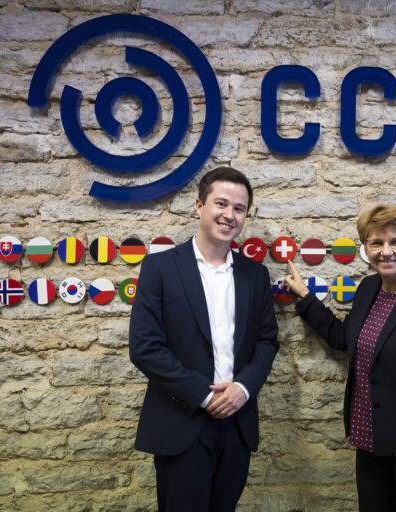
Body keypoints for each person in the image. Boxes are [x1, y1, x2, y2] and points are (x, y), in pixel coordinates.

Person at [284, 204, 396, 512]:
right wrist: (306, 298)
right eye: (376, 243)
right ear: (365, 247)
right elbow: (343, 338)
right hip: (369, 438)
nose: (386, 251)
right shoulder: (368, 288)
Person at [129, 167, 279, 512]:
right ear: (199, 205)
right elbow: (145, 347)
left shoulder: (255, 275)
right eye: (221, 204)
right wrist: (201, 395)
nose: (230, 215)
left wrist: (242, 389)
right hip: (181, 422)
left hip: (237, 424)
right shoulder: (160, 268)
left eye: (239, 208)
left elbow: (267, 341)